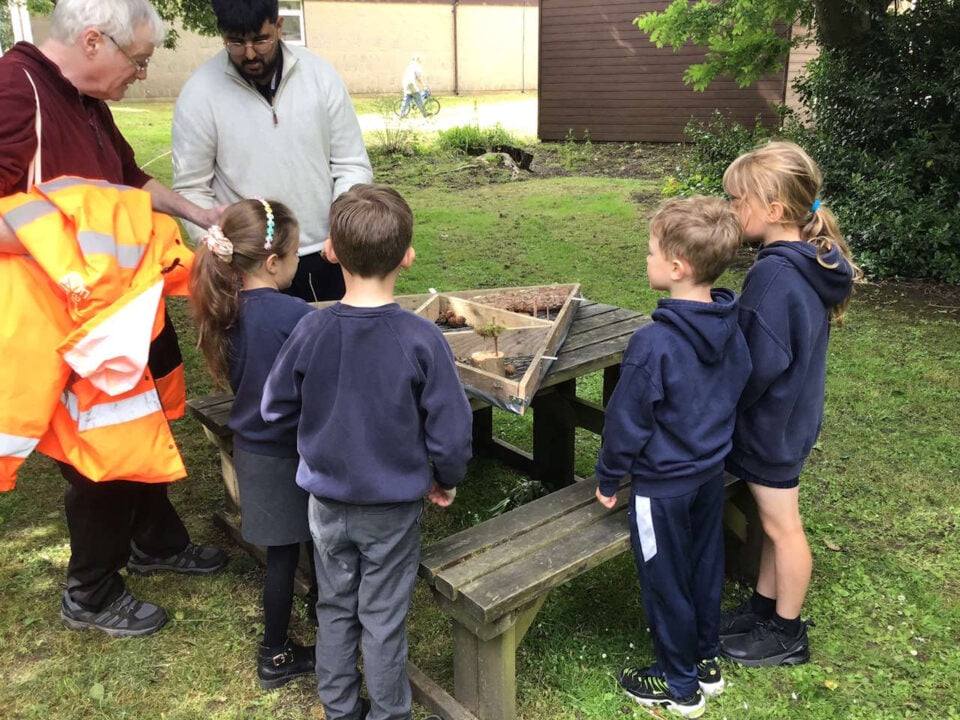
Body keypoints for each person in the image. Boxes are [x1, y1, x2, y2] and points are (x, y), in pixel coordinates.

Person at [0, 0, 226, 638]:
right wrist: (73, 244)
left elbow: (130, 182)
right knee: (98, 451)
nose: (142, 76)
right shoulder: (16, 92)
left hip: (128, 306)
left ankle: (155, 538)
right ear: (95, 42)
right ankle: (91, 591)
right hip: (70, 321)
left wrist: (199, 216)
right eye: (140, 61)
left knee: (144, 412)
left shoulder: (86, 98)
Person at [262, 184, 473, 720]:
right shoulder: (423, 339)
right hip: (391, 510)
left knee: (335, 606)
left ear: (330, 250)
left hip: (326, 504)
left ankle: (338, 707)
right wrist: (445, 478)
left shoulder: (309, 327)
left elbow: (276, 407)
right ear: (408, 255)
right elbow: (451, 432)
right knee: (382, 614)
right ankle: (388, 711)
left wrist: (316, 444)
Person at [595, 196, 751, 718]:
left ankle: (679, 683)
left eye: (650, 251)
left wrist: (610, 476)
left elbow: (625, 422)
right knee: (705, 566)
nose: (646, 259)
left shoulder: (652, 344)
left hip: (661, 489)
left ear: (677, 267)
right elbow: (740, 380)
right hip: (709, 475)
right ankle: (706, 659)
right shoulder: (731, 324)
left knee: (665, 580)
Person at [718, 140, 859, 667]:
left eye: (738, 200)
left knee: (783, 527)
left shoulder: (774, 275)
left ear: (773, 210)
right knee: (771, 523)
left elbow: (754, 365)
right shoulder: (810, 262)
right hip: (791, 417)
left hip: (772, 424)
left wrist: (722, 403)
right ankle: (762, 608)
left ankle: (786, 632)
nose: (732, 209)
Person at [189, 198, 317, 689]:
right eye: (294, 254)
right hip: (291, 449)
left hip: (253, 450)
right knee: (293, 553)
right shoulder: (295, 314)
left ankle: (308, 621)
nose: (297, 262)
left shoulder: (224, 307)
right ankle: (275, 656)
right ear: (272, 262)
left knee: (288, 549)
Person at [172, 0, 373, 303]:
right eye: (236, 42)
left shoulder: (320, 77)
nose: (250, 53)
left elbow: (351, 164)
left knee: (330, 349)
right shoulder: (200, 93)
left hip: (325, 256)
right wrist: (220, 245)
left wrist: (342, 230)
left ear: (278, 27)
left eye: (260, 40)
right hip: (246, 268)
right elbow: (191, 187)